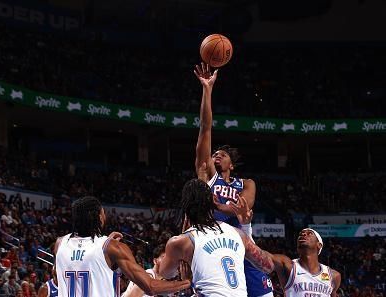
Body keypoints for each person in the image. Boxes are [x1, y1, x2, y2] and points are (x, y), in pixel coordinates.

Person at [193, 62, 274, 297]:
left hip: (242, 242)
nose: (216, 155)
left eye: (223, 154)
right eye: (214, 153)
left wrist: (214, 204)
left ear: (232, 164)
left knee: (263, 291)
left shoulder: (247, 183)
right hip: (213, 244)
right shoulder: (207, 173)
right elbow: (205, 128)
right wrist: (207, 89)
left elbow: (242, 208)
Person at [159, 179, 274, 297]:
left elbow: (165, 273)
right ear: (213, 202)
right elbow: (268, 265)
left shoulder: (181, 242)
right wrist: (246, 227)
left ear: (186, 208)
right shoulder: (238, 234)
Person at [55, 196, 190, 297]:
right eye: (103, 213)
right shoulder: (112, 248)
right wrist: (186, 282)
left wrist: (105, 247)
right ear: (99, 218)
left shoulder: (60, 244)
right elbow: (150, 287)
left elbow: (80, 262)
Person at [230, 196, 342, 297]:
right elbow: (257, 255)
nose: (303, 234)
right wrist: (246, 226)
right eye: (301, 233)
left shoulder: (334, 276)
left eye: (309, 233)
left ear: (319, 245)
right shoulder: (287, 265)